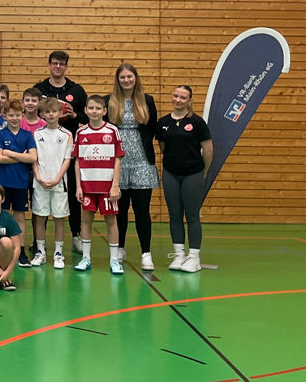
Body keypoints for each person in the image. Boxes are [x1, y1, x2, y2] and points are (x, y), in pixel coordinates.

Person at [34, 50, 90, 248]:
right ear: (49, 65)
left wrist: (75, 116)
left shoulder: (76, 90)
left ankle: (76, 235)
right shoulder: (39, 89)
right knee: (41, 194)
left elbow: (88, 116)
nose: (58, 67)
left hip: (68, 149)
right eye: (54, 63)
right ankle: (38, 241)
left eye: (61, 64)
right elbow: (30, 112)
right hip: (43, 149)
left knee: (72, 193)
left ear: (66, 66)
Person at [107, 63, 160, 271]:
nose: (126, 80)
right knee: (120, 210)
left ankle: (146, 252)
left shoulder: (147, 101)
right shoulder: (109, 101)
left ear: (135, 78)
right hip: (118, 162)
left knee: (141, 210)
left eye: (130, 77)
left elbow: (153, 128)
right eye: (122, 77)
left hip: (141, 162)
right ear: (117, 80)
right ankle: (119, 247)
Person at [155, 85, 213, 274]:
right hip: (171, 174)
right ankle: (179, 254)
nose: (178, 100)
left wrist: (202, 172)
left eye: (182, 97)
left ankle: (194, 257)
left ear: (189, 100)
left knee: (192, 215)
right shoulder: (163, 122)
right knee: (174, 214)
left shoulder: (197, 123)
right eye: (175, 96)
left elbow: (208, 149)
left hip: (193, 174)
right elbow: (163, 146)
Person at [74, 95, 124, 275]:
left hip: (107, 188)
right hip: (87, 187)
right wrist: (79, 187)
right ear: (86, 110)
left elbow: (117, 159)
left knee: (111, 221)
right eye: (91, 108)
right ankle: (86, 258)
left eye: (98, 108)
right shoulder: (81, 133)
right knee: (86, 221)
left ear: (104, 111)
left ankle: (113, 259)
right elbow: (78, 162)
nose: (94, 111)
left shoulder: (112, 131)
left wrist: (115, 185)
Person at [0, 101, 36, 265]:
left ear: (22, 116)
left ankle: (21, 251)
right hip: (3, 183)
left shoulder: (27, 135)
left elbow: (32, 157)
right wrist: (20, 156)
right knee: (1, 216)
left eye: (17, 115)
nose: (14, 118)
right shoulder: (0, 135)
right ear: (5, 117)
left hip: (21, 183)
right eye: (11, 115)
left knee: (19, 217)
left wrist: (9, 153)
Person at [32, 98, 74, 269]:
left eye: (54, 111)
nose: (51, 114)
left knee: (59, 218)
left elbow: (67, 160)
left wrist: (57, 178)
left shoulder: (67, 135)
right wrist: (38, 176)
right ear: (42, 114)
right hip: (40, 182)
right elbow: (33, 159)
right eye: (47, 112)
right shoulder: (36, 134)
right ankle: (40, 252)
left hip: (59, 183)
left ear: (60, 113)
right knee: (40, 218)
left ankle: (58, 254)